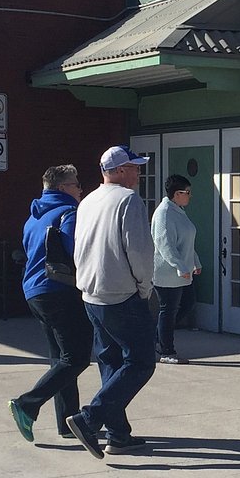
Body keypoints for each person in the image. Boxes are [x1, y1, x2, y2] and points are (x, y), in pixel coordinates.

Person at [66, 145, 157, 459]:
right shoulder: (128, 200)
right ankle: (89, 418)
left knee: (111, 362)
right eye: (134, 166)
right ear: (119, 171)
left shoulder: (89, 200)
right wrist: (145, 289)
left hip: (92, 293)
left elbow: (79, 246)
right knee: (142, 361)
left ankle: (117, 435)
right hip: (121, 294)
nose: (138, 171)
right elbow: (140, 252)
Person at [7, 165, 93, 443]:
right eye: (77, 185)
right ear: (63, 188)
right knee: (76, 358)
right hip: (60, 292)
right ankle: (27, 404)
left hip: (35, 292)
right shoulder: (70, 213)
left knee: (61, 358)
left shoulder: (33, 217)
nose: (81, 189)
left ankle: (67, 423)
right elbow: (75, 251)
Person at [152, 174, 201, 365]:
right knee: (168, 310)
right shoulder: (164, 213)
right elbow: (165, 245)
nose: (189, 196)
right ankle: (166, 351)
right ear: (176, 194)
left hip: (184, 272)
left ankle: (158, 337)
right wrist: (180, 266)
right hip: (167, 273)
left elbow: (188, 241)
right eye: (187, 193)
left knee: (187, 304)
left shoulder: (179, 211)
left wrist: (195, 262)